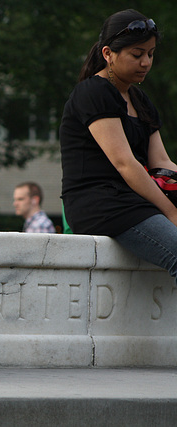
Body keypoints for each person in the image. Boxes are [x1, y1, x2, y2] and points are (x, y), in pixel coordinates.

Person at [60, 10, 177, 283]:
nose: (146, 62)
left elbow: (162, 162)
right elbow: (126, 164)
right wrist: (171, 212)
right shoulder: (94, 92)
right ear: (108, 53)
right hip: (101, 204)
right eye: (137, 55)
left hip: (134, 200)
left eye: (150, 54)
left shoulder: (139, 98)